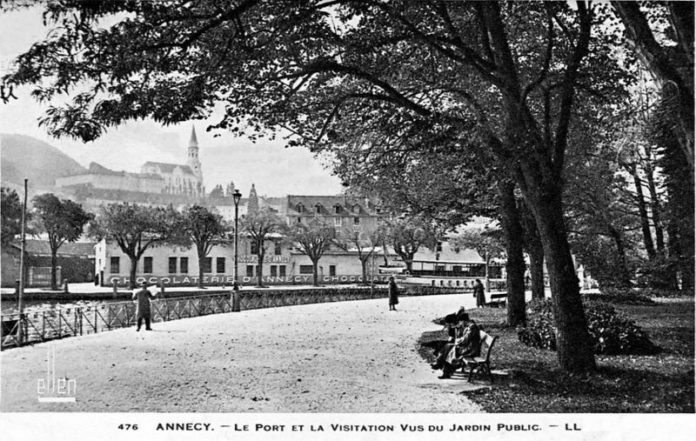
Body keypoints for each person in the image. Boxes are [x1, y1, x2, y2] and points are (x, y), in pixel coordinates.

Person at [430, 312, 481, 379]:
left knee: (450, 349)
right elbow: (463, 338)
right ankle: (442, 366)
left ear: (464, 321)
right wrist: (458, 339)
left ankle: (443, 367)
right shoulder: (469, 326)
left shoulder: (472, 327)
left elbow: (465, 339)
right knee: (448, 347)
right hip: (468, 347)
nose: (460, 323)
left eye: (461, 322)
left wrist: (457, 341)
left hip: (471, 350)